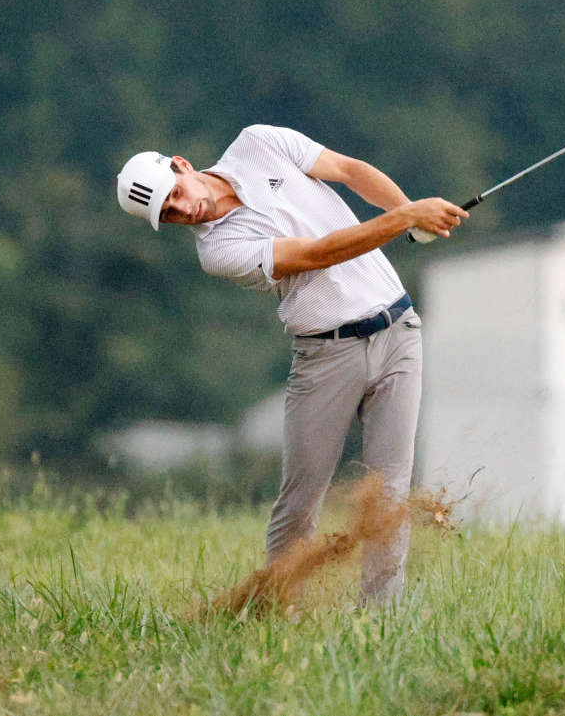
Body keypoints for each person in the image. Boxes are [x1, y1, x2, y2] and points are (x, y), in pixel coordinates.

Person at [116, 125, 467, 602]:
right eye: (168, 214)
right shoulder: (217, 252)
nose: (181, 210)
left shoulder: (258, 142)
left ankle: (382, 621)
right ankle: (276, 614)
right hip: (325, 355)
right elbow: (318, 254)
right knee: (301, 502)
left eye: (174, 195)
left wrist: (406, 212)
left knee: (389, 491)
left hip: (399, 330)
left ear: (181, 164)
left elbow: (348, 171)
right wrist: (406, 216)